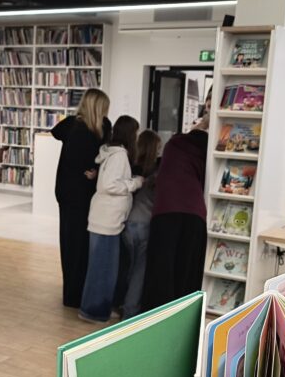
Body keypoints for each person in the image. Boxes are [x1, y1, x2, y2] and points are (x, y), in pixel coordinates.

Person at [141, 112, 210, 311]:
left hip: (166, 211)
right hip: (195, 213)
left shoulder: (174, 144)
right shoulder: (209, 151)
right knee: (187, 274)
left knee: (160, 273)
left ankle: (157, 318)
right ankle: (184, 317)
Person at [78, 115, 143, 323]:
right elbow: (109, 185)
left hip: (103, 217)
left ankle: (95, 308)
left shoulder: (109, 153)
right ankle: (94, 311)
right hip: (108, 220)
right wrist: (135, 183)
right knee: (104, 270)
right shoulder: (120, 156)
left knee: (99, 267)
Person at [52, 88, 111, 308]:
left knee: (71, 243)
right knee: (78, 245)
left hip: (68, 193)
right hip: (79, 196)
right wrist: (95, 170)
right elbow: (87, 162)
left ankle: (73, 292)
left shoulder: (73, 126)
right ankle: (75, 294)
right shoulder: (88, 130)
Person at [120, 129, 162, 319]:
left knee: (129, 267)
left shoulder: (132, 167)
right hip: (145, 224)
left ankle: (123, 304)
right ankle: (130, 313)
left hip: (128, 222)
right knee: (139, 271)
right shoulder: (157, 172)